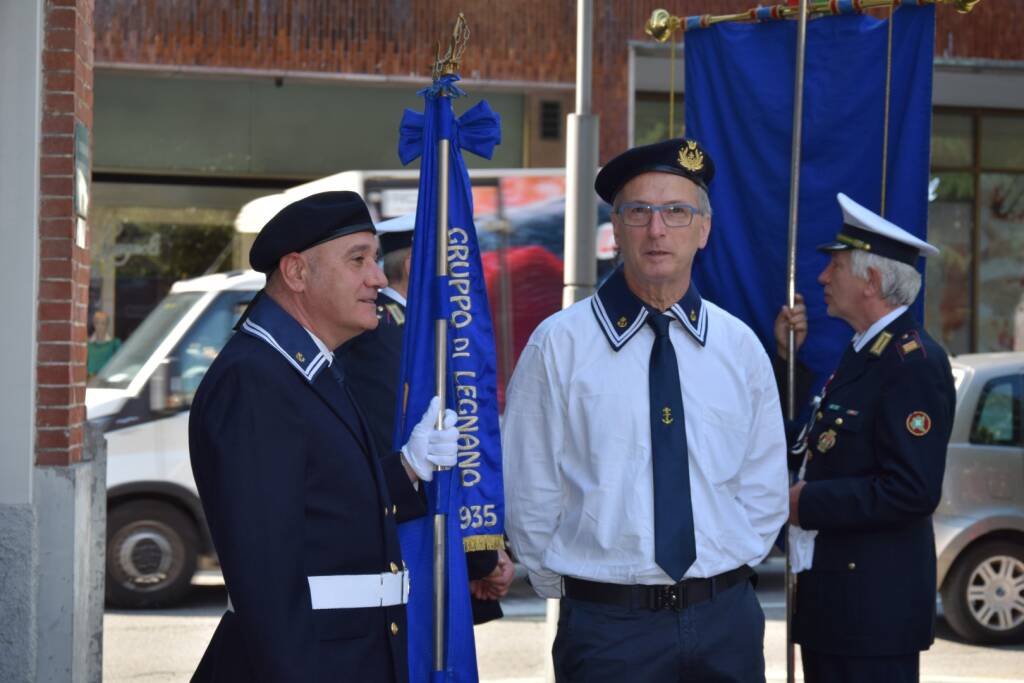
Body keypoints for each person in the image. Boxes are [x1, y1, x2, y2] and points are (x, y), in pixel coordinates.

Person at [503, 138, 789, 682]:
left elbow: (764, 486)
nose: (658, 230)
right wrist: (582, 589)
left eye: (677, 211)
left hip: (724, 620)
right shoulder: (558, 345)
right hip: (610, 630)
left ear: (704, 230)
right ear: (615, 230)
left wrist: (721, 573)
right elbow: (530, 493)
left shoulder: (739, 347)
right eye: (640, 212)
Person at [188, 191, 460, 683]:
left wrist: (407, 470)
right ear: (296, 273)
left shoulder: (305, 371)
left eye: (375, 259)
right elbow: (268, 580)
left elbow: (325, 503)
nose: (378, 277)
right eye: (358, 259)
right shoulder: (256, 380)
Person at [789, 193, 956, 683]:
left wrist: (807, 502)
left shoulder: (913, 363)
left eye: (835, 267)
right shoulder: (865, 354)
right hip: (838, 607)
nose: (822, 277)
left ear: (873, 281)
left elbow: (912, 490)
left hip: (873, 616)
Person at [338, 214, 515, 626]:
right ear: (418, 263)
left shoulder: (410, 332)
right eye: (455, 258)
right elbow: (415, 454)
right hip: (408, 553)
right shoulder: (381, 335)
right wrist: (482, 556)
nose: (466, 273)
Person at [87, 309, 121, 378]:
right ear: (94, 324)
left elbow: (119, 366)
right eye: (97, 323)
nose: (100, 326)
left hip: (107, 383)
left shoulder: (115, 344)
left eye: (103, 323)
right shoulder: (86, 345)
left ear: (107, 325)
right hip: (90, 383)